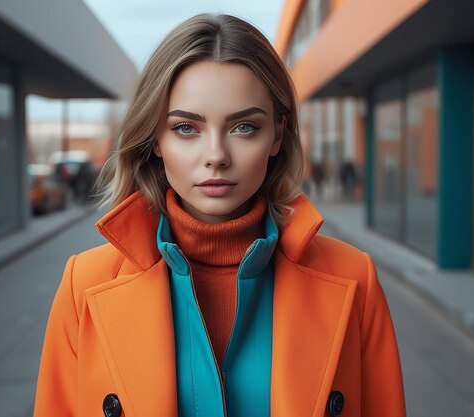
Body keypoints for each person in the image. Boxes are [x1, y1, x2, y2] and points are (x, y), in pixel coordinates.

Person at [33, 14, 405, 417]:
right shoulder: (82, 287)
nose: (216, 156)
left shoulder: (355, 279)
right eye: (186, 128)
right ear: (155, 138)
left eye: (244, 126)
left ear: (277, 134)